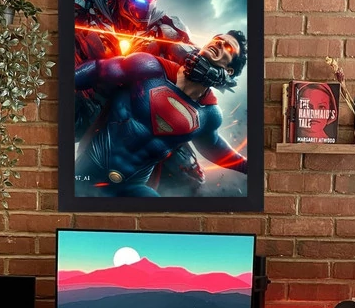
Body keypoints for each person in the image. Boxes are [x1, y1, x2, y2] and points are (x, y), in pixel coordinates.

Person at [73, 0, 236, 194]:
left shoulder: (164, 27)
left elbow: (191, 57)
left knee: (188, 176)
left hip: (137, 110)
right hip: (84, 98)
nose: (143, 13)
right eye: (137, 4)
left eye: (150, 5)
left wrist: (214, 71)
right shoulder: (88, 2)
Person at [74, 32, 248, 198]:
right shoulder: (148, 67)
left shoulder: (208, 114)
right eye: (217, 39)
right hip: (89, 169)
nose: (219, 43)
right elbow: (97, 70)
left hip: (132, 186)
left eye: (228, 47)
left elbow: (215, 149)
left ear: (229, 71)